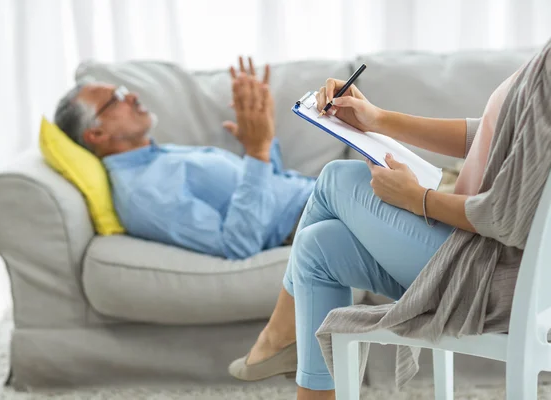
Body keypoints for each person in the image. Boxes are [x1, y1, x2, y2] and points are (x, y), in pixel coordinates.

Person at [229, 48, 547, 399]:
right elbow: (492, 136)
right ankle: (291, 355)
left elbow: (505, 218)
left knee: (336, 178)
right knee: (316, 246)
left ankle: (278, 336)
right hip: (480, 257)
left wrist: (418, 198)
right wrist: (378, 119)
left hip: (494, 278)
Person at [53, 57, 315, 260]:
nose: (132, 96)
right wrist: (257, 154)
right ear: (96, 133)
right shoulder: (143, 194)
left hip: (312, 195)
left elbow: (267, 188)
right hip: (305, 219)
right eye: (116, 99)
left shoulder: (156, 157)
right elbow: (238, 245)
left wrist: (260, 140)